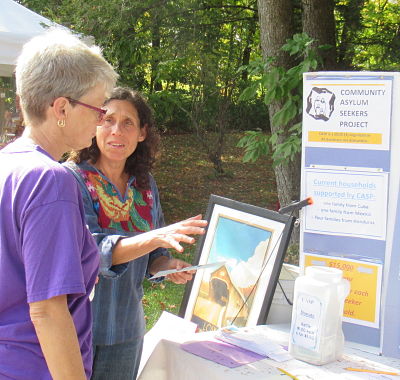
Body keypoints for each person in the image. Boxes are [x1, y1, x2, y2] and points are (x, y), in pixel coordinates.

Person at [65, 87, 207, 380]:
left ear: (142, 133)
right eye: (107, 119)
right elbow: (93, 250)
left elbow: (155, 255)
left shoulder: (145, 185)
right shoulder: (72, 179)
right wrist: (157, 237)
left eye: (128, 122)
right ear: (95, 124)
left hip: (128, 331)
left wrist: (167, 267)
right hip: (76, 329)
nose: (117, 130)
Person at [0, 29, 118, 379]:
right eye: (98, 109)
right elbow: (48, 312)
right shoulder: (49, 179)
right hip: (34, 367)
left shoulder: (8, 164)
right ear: (62, 108)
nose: (100, 122)